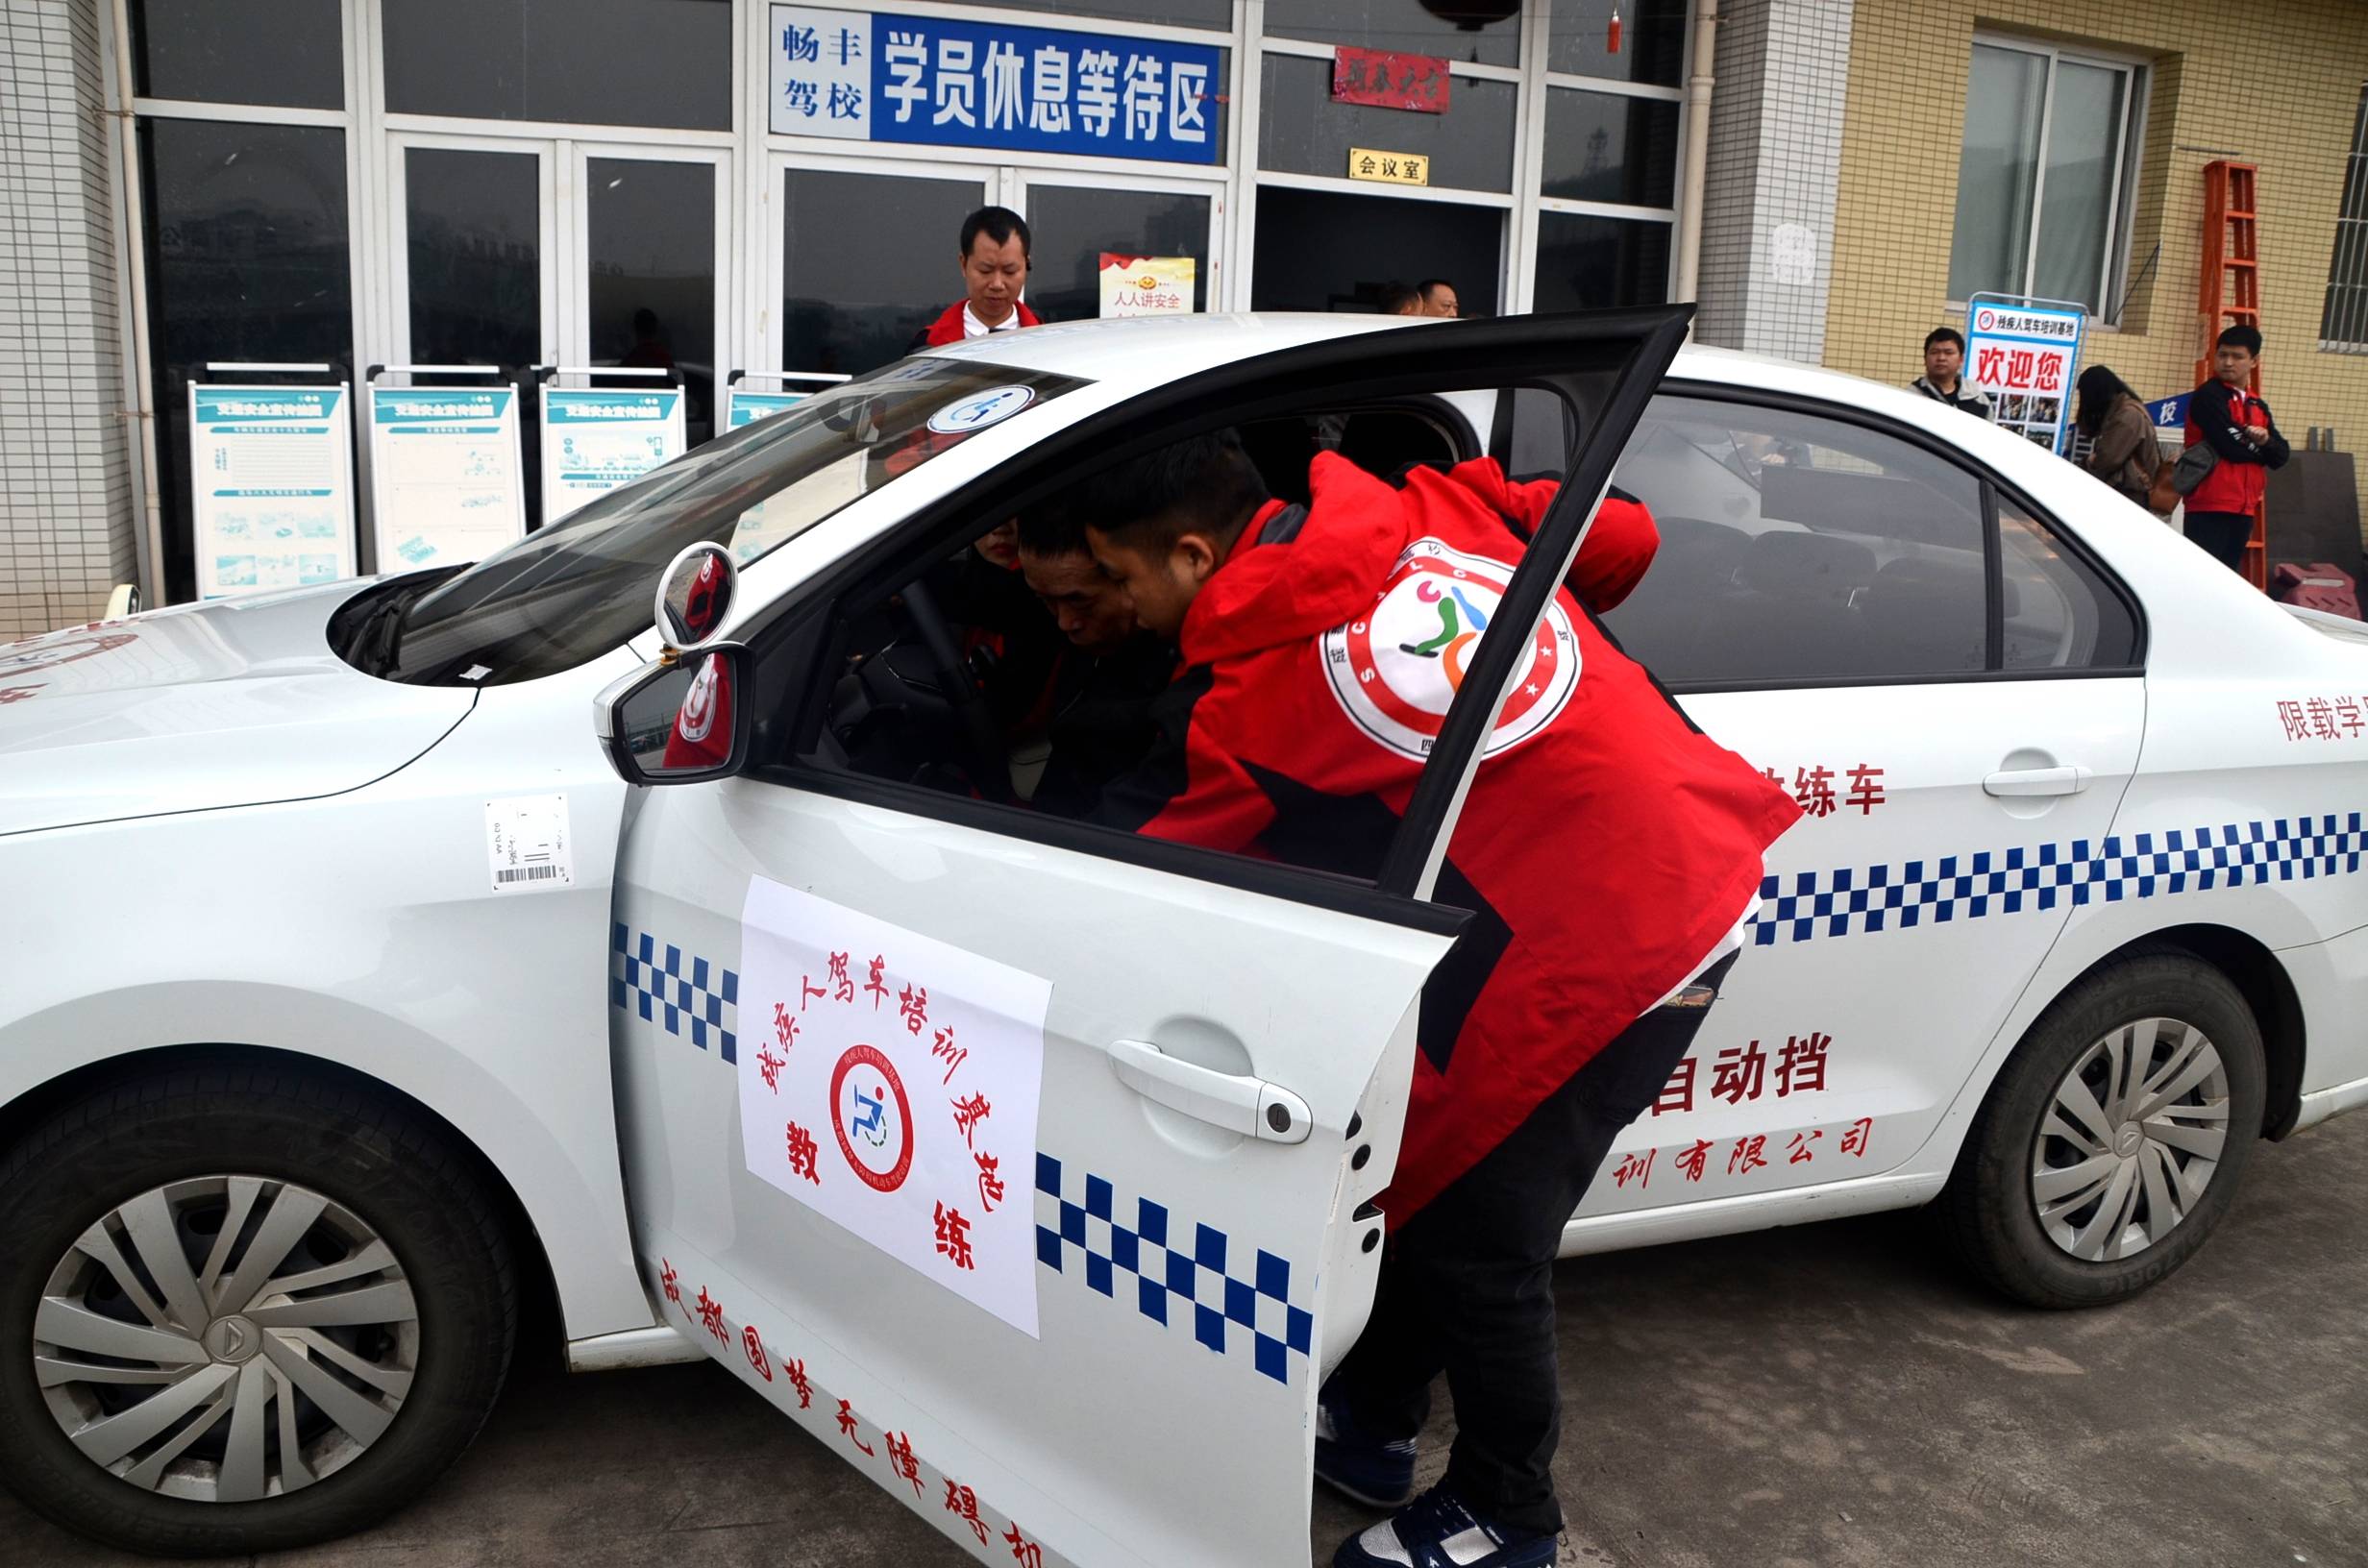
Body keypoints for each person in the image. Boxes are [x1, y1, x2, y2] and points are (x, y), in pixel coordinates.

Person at [1079, 433, 1799, 1568]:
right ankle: (1369, 1427)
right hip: (1689, 859)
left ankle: (1508, 1515)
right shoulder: (1428, 501)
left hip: (1609, 948)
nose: (1120, 609)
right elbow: (1623, 537)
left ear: (1186, 553)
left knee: (1480, 1242)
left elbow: (1134, 881)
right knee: (1415, 1181)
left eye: (1119, 582)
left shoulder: (1250, 700)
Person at [1012, 506, 1178, 818]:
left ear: (1130, 578)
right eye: (1044, 600)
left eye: (1079, 600)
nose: (1064, 622)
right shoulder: (1085, 637)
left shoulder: (1182, 688)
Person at [2181, 324, 2291, 572]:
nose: (2228, 362)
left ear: (2254, 361)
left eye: (2237, 356)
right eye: (2222, 355)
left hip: (2244, 506)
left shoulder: (2257, 404)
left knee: (2228, 579)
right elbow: (2229, 446)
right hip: (2208, 503)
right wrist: (2263, 447)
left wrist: (2265, 444)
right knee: (2200, 576)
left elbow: (2281, 455)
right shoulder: (2207, 396)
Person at [912, 207, 1042, 350]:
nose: (997, 284)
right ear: (963, 264)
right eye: (985, 270)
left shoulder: (1048, 344)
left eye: (1009, 271)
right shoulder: (928, 346)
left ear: (1026, 265)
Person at [2075, 365, 2161, 510]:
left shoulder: (2127, 416)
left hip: (2130, 494)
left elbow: (2108, 458)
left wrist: (2090, 461)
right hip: (2127, 492)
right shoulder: (2119, 411)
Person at [1911, 327, 1993, 418]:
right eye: (1934, 352)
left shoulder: (1979, 400)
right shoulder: (1911, 397)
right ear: (1925, 359)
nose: (1941, 358)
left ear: (1961, 359)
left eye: (1948, 353)